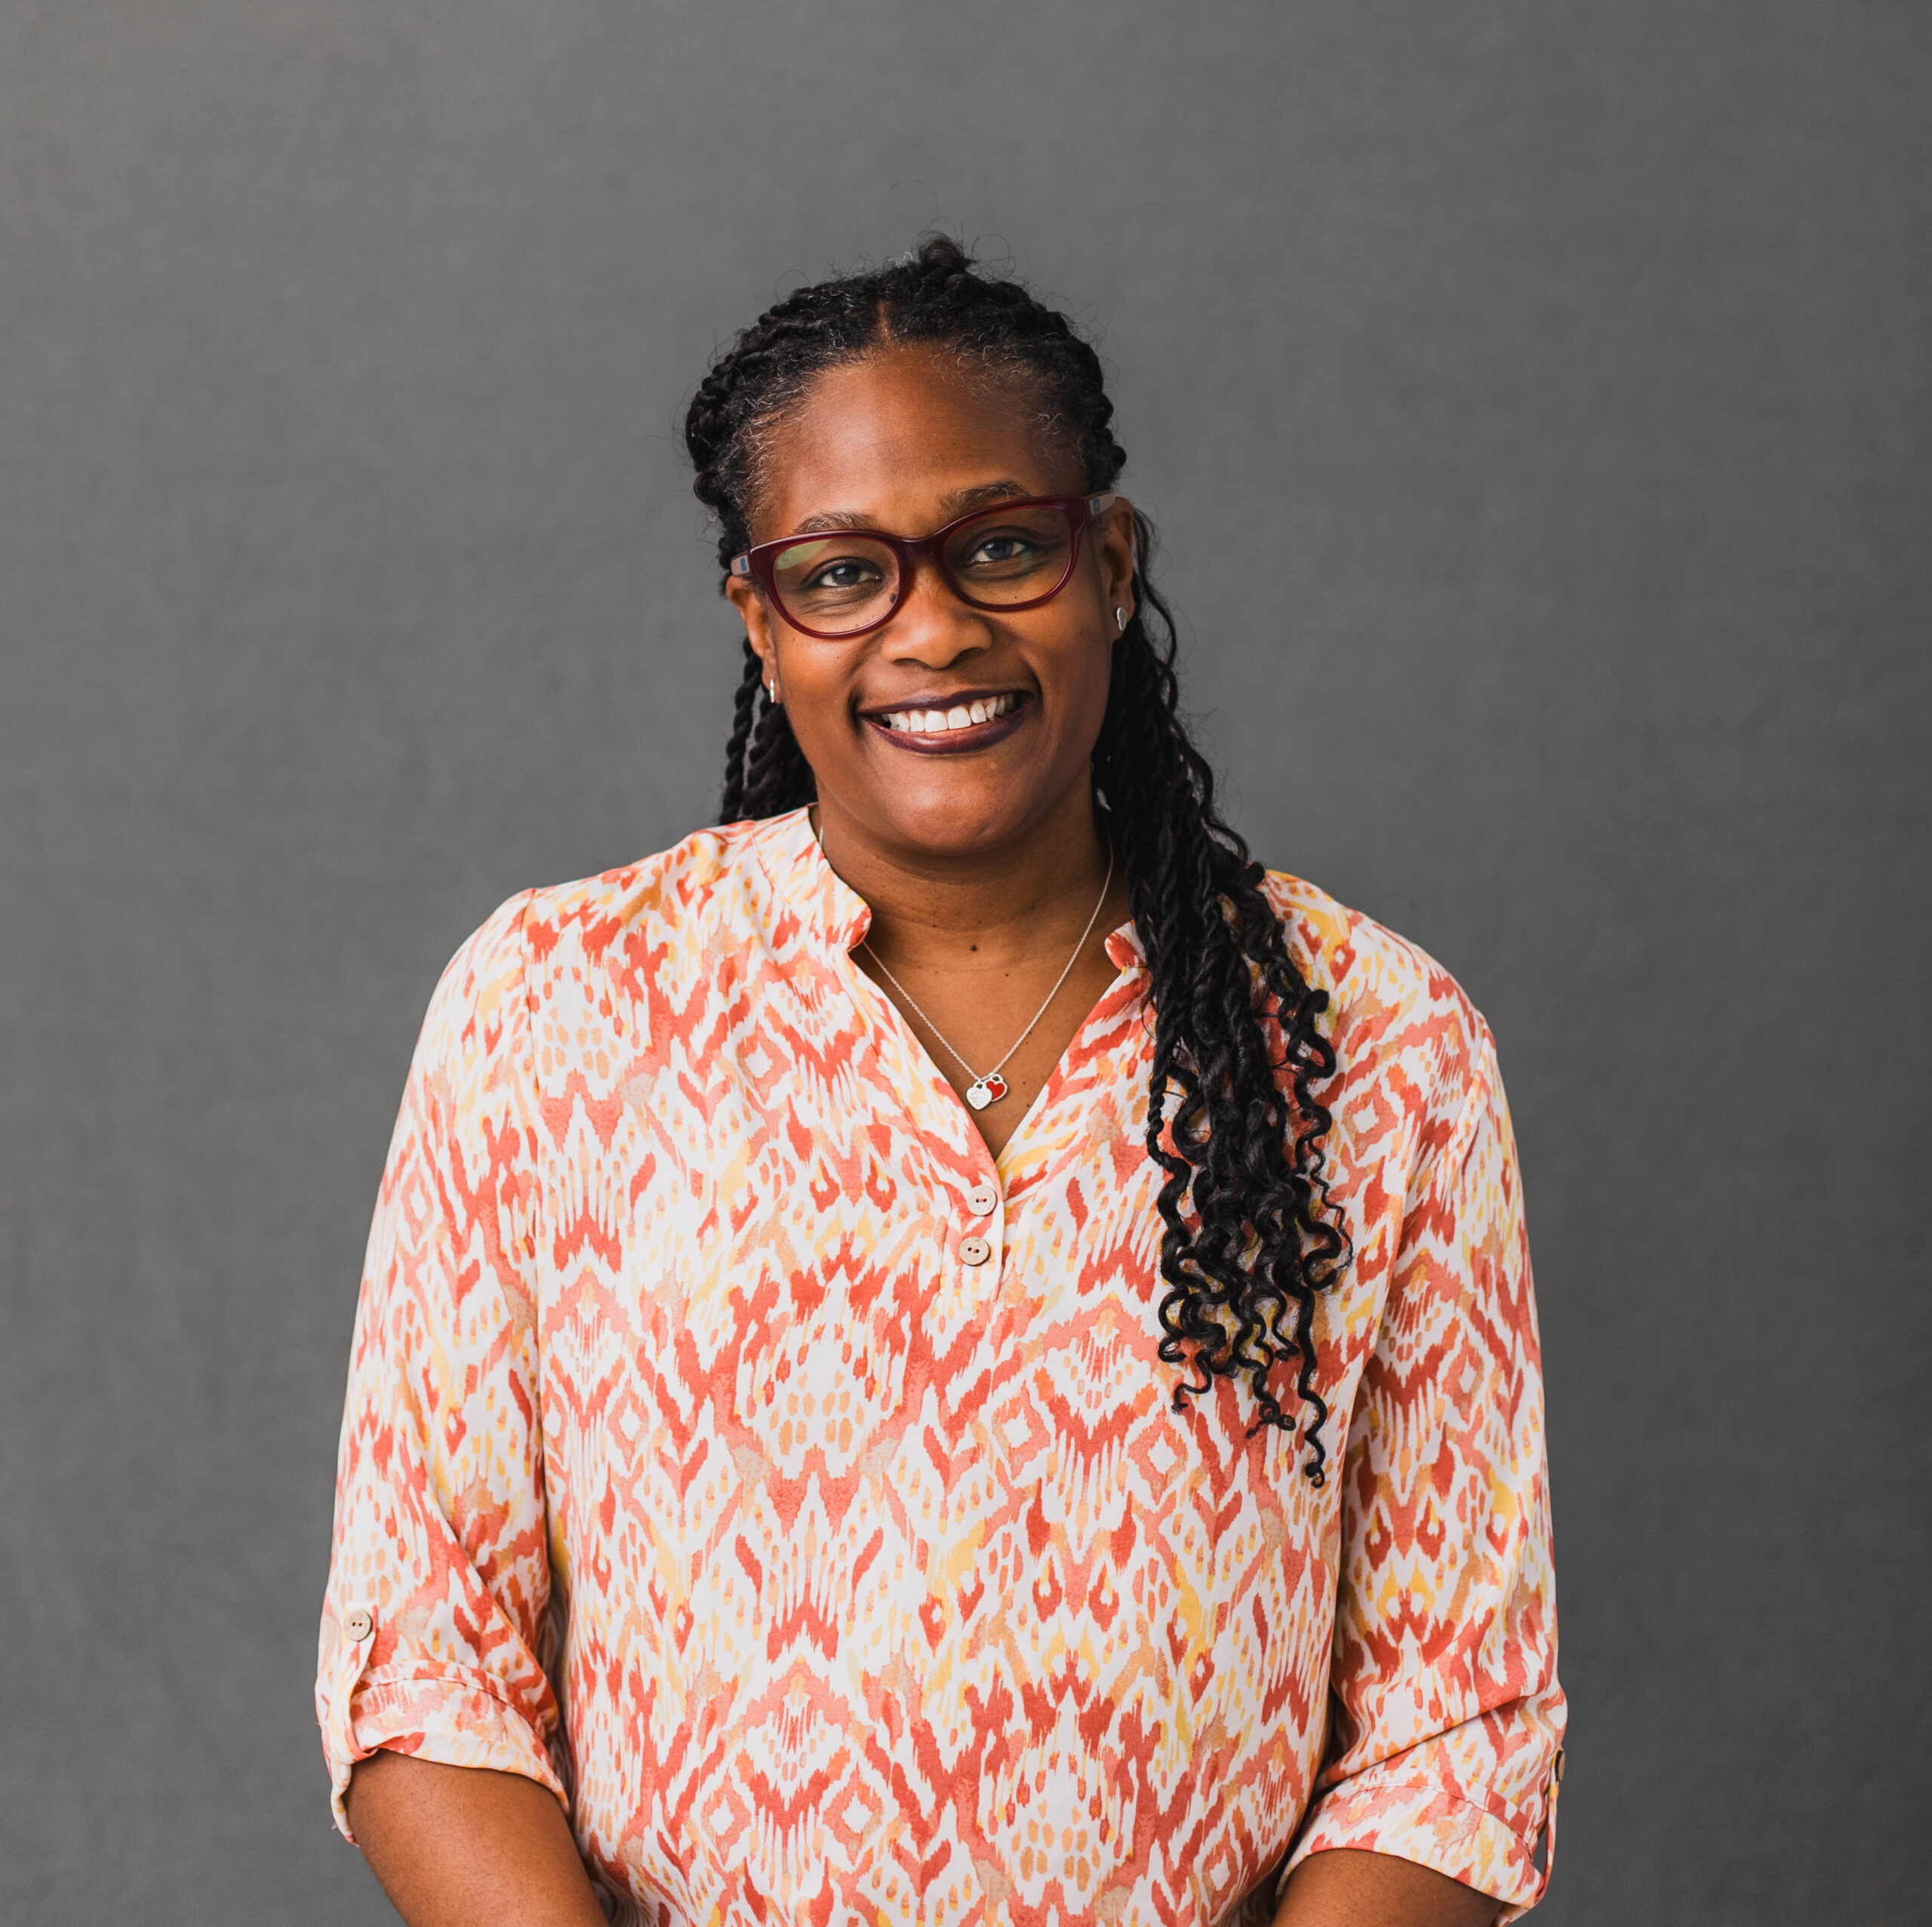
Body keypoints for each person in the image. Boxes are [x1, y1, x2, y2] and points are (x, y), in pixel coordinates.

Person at [316, 237, 1564, 1927]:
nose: (933, 627)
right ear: (762, 622)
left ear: (1107, 561)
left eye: (1000, 547)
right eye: (843, 572)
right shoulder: (554, 1008)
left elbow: (1454, 1723)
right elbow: (423, 1657)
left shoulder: (1381, 1044)